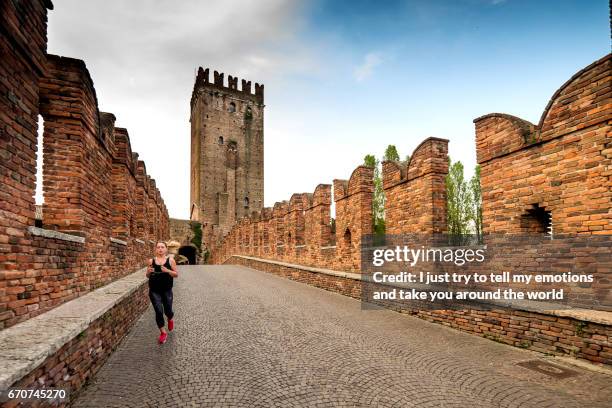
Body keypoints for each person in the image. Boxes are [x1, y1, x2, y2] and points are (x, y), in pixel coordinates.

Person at [146, 241, 179, 344]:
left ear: (166, 249)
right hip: (154, 291)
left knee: (168, 310)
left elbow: (176, 274)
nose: (160, 249)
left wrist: (167, 271)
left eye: (162, 247)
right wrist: (148, 272)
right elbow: (147, 276)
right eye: (158, 247)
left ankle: (170, 318)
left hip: (167, 290)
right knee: (158, 310)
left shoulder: (171, 260)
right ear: (155, 249)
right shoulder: (151, 261)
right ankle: (163, 333)